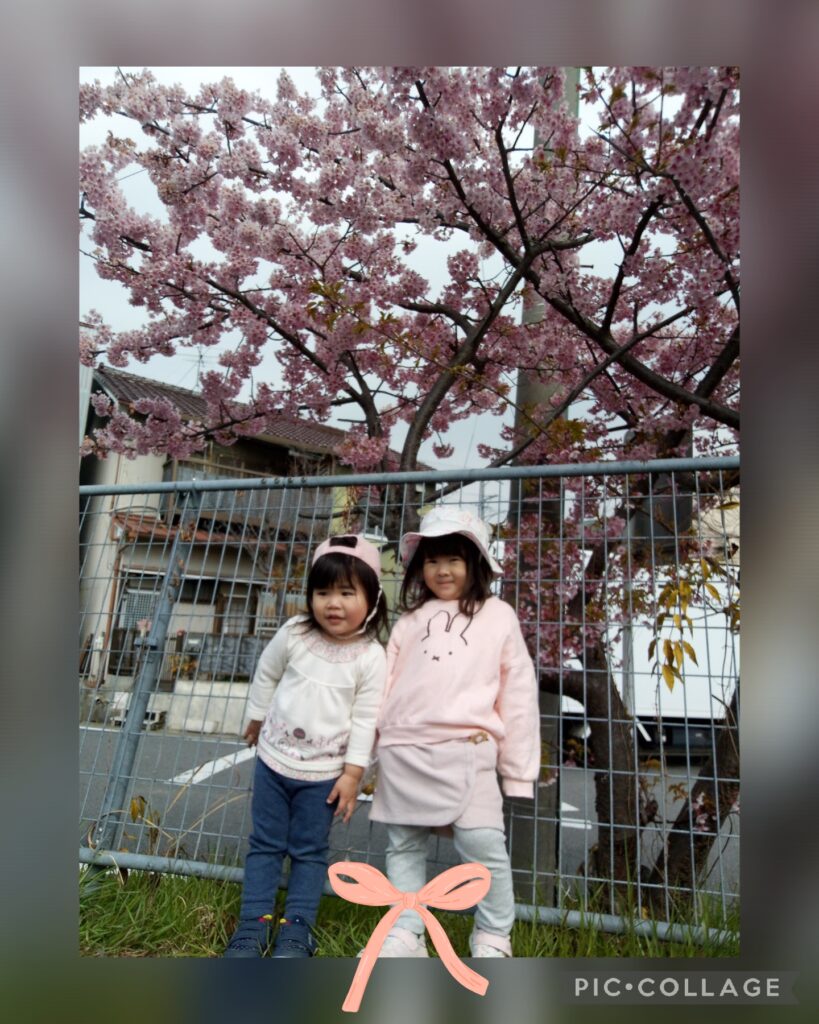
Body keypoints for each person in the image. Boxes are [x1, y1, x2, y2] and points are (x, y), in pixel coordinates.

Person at [368, 507, 540, 958]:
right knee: (403, 845)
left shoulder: (499, 616)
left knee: (483, 846)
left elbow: (518, 692)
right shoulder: (408, 622)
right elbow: (382, 687)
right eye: (431, 559)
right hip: (403, 746)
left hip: (471, 747)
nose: (441, 570)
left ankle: (493, 935)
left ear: (476, 564)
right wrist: (365, 751)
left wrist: (518, 771)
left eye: (454, 560)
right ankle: (405, 930)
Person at [224, 534, 388, 958]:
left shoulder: (371, 657)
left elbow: (367, 720)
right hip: (274, 763)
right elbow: (266, 672)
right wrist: (257, 716)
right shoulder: (295, 633)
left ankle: (297, 930)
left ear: (372, 598)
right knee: (264, 843)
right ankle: (253, 925)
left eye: (347, 593)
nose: (333, 603)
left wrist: (353, 774)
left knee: (309, 852)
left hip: (325, 778)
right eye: (323, 592)